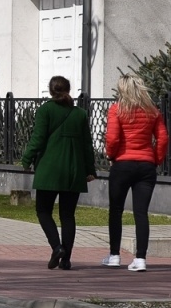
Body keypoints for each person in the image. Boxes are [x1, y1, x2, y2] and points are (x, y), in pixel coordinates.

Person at [20, 74, 97, 271]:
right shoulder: (79, 114)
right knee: (68, 215)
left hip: (49, 170)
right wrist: (90, 170)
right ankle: (66, 260)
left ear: (51, 90)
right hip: (74, 171)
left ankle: (57, 247)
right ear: (68, 90)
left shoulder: (45, 110)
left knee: (43, 211)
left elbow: (38, 138)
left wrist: (26, 159)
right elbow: (87, 145)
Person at [103, 74, 167, 271]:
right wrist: (155, 159)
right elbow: (163, 138)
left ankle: (114, 255)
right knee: (141, 213)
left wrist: (111, 156)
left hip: (122, 164)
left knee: (116, 210)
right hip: (146, 166)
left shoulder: (117, 110)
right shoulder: (152, 111)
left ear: (122, 89)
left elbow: (112, 139)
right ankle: (140, 259)